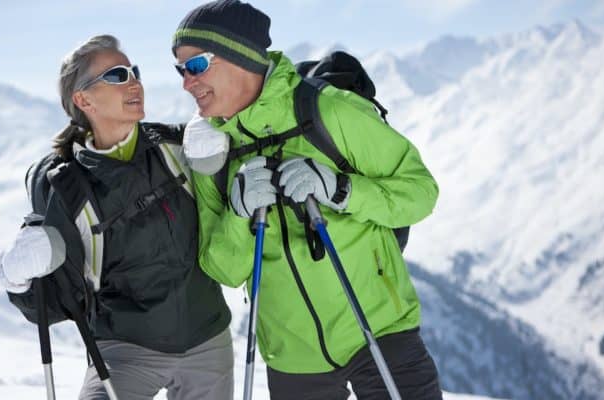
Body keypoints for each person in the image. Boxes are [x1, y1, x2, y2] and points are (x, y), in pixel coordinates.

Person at [172, 1, 442, 399]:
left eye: (195, 66)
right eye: (180, 70)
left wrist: (341, 189)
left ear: (240, 56)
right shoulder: (215, 150)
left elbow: (420, 193)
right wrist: (239, 214)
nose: (186, 82)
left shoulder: (328, 110)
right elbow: (223, 270)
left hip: (380, 331)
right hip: (292, 358)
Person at [0, 34, 233, 400]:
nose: (134, 81)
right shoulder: (66, 185)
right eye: (117, 75)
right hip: (125, 350)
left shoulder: (177, 147)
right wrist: (18, 278)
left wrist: (224, 154)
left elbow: (235, 209)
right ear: (83, 99)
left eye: (133, 72)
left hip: (206, 339)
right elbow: (60, 300)